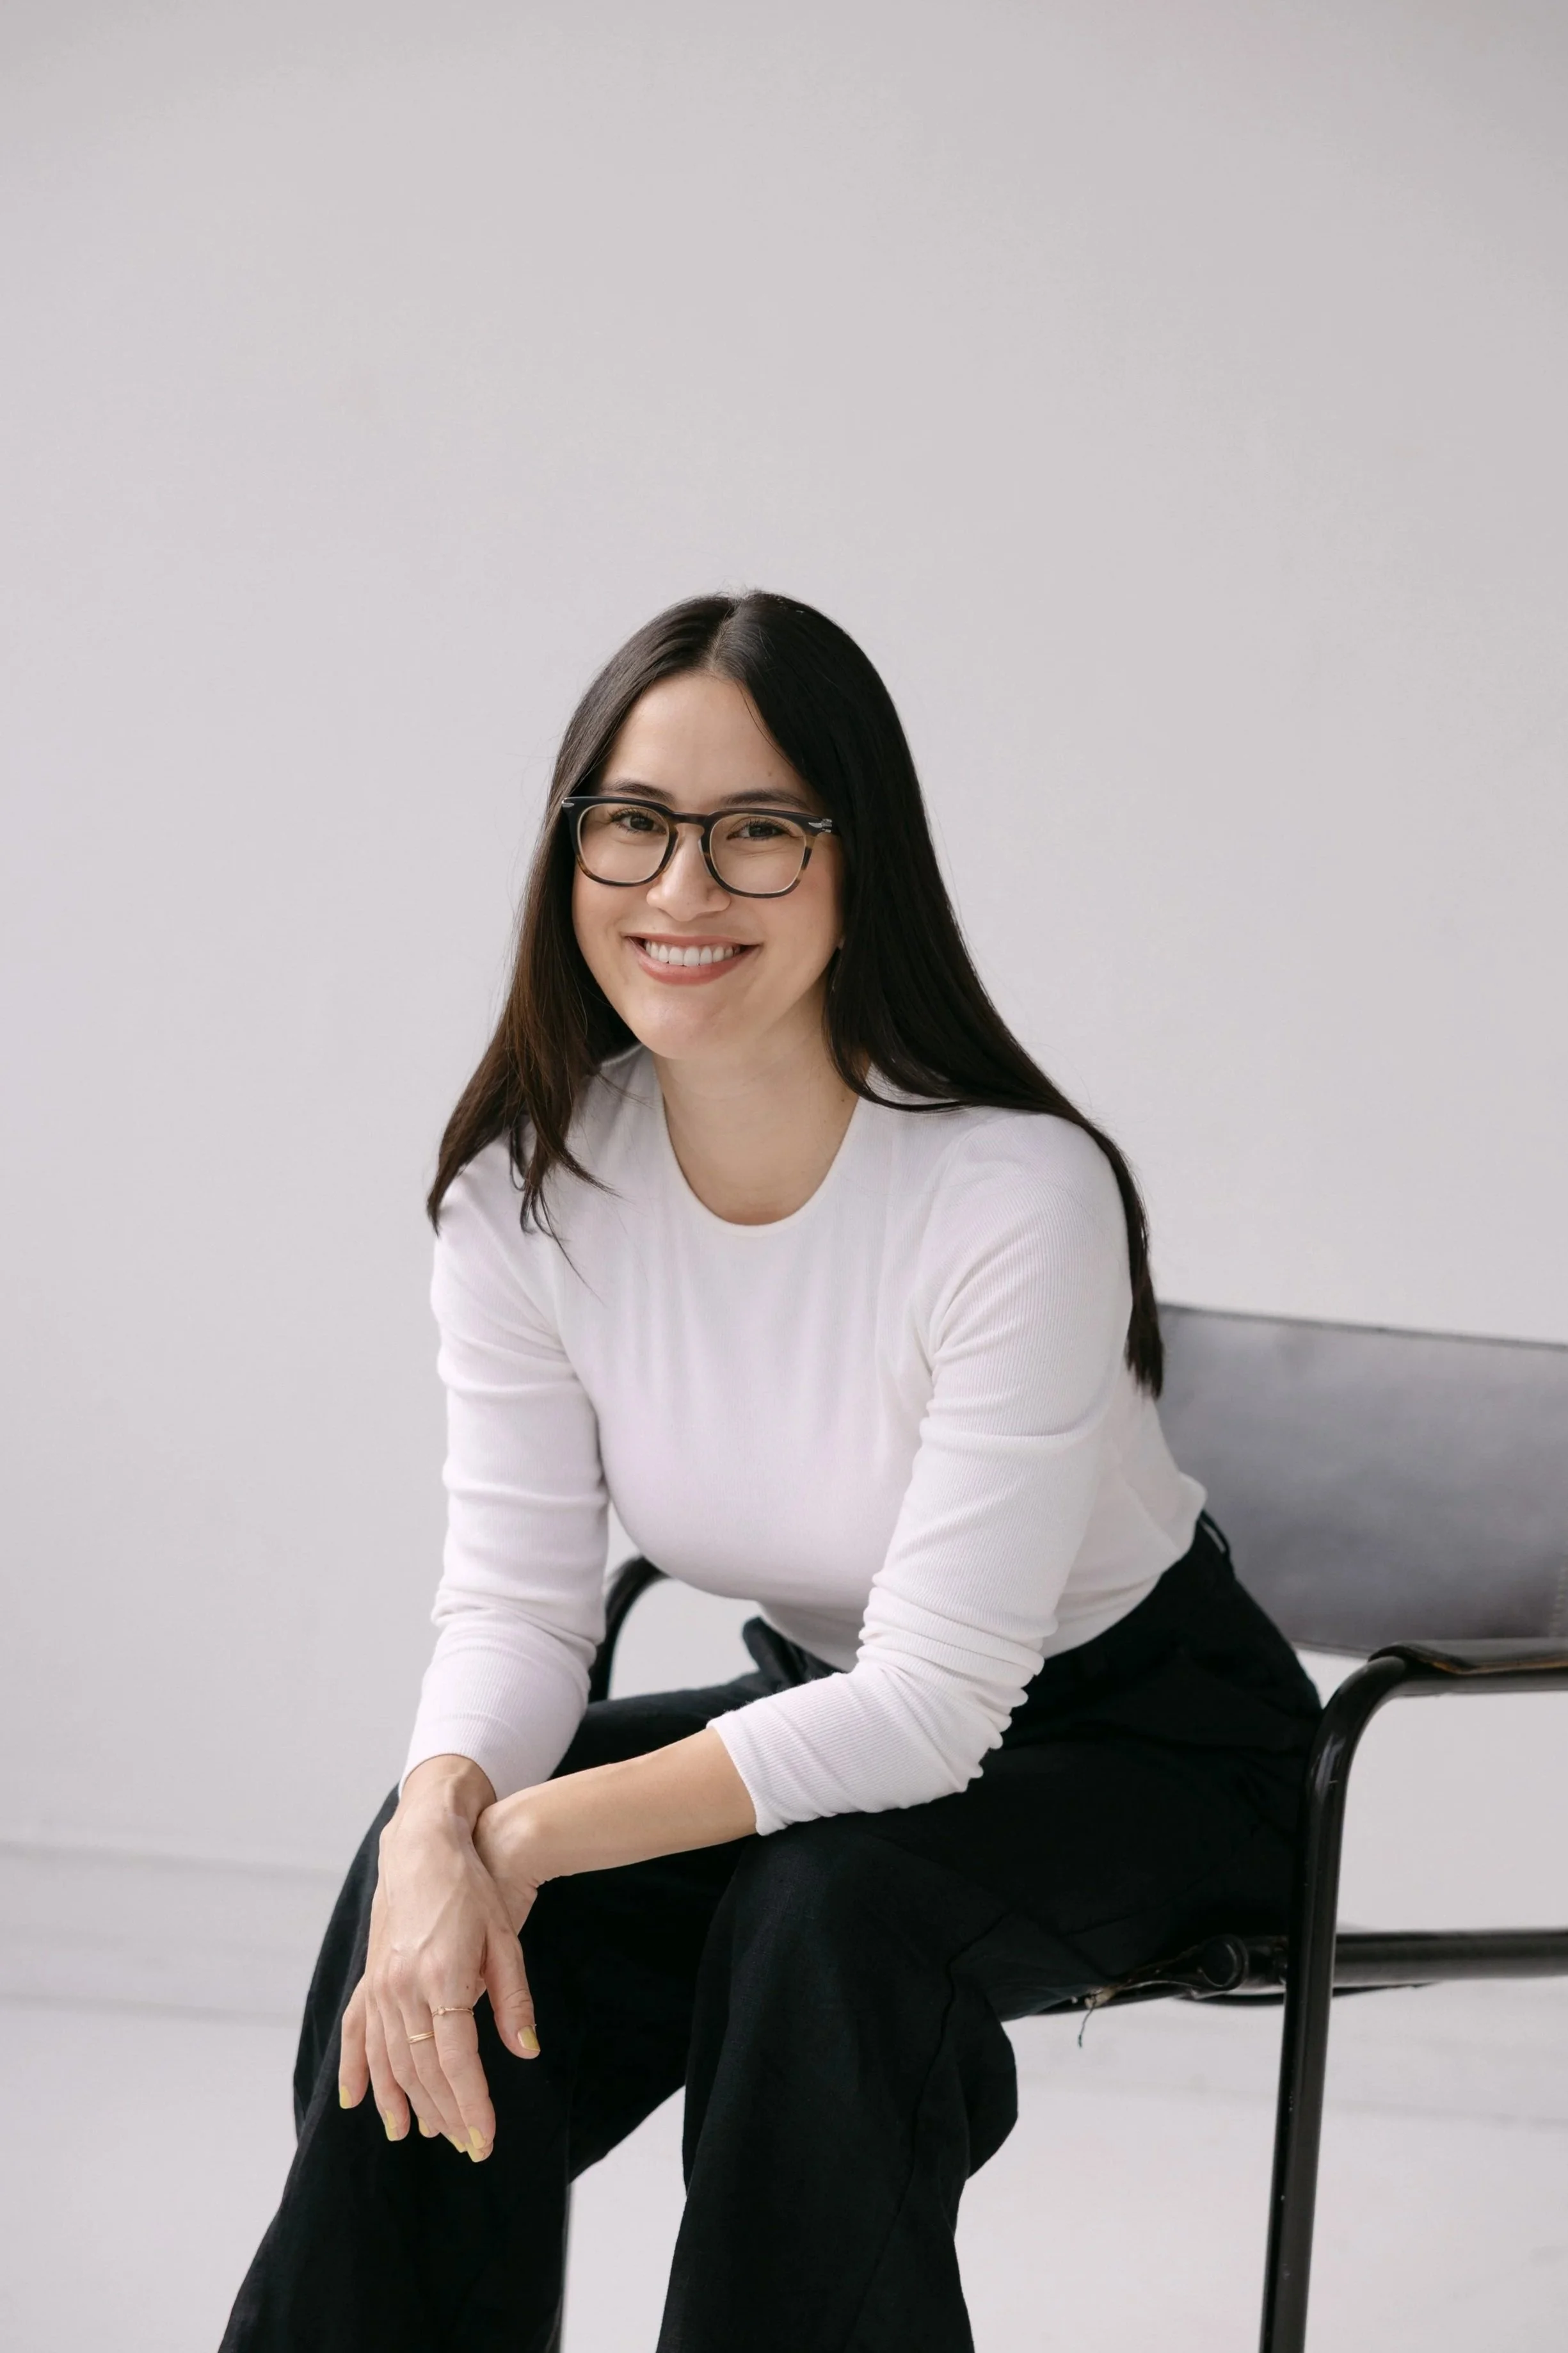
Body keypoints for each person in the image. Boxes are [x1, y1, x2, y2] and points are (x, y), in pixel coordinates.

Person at [221, 591, 1320, 2353]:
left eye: (757, 833)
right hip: (826, 1718)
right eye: (634, 824)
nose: (681, 888)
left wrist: (521, 1832)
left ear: (852, 860)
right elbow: (516, 1605)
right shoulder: (525, 1190)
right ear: (570, 848)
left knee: (824, 1912)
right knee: (408, 1864)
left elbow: (937, 1710)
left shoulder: (1012, 1198)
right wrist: (445, 1822)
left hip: (1158, 1751)